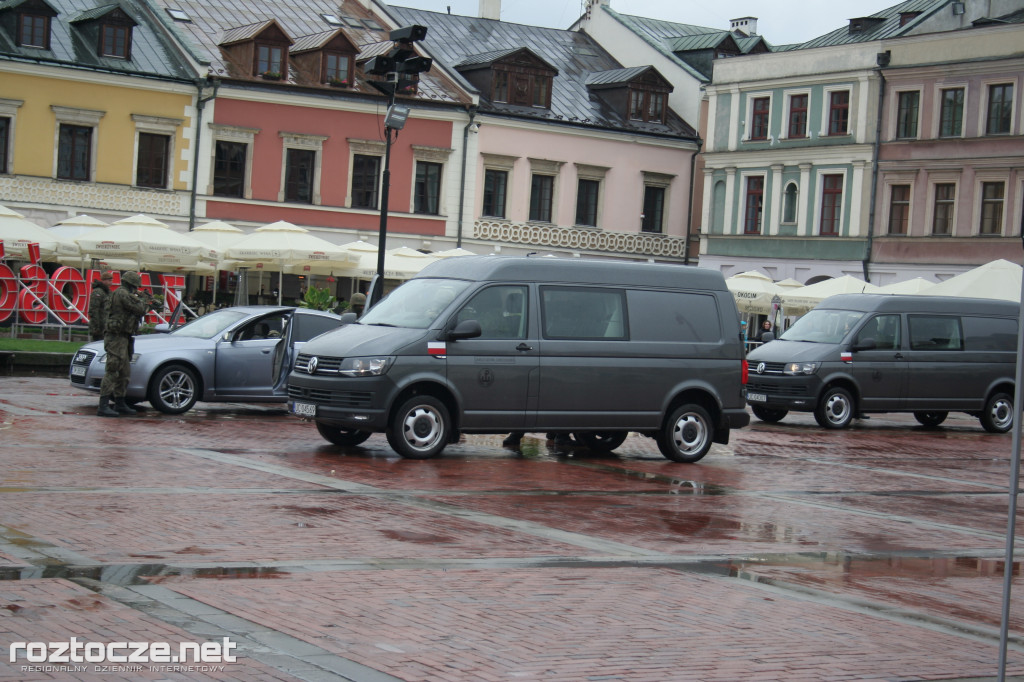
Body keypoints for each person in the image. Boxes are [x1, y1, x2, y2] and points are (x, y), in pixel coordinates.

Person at [97, 271, 157, 417]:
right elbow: (139, 309)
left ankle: (120, 402)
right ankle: (103, 405)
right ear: (131, 285)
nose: (136, 289)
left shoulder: (124, 294)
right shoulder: (122, 294)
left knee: (124, 372)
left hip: (124, 337)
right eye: (135, 287)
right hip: (116, 337)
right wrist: (147, 302)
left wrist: (143, 300)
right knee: (113, 369)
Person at [88, 270, 114, 342]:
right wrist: (96, 326)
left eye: (111, 280)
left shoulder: (108, 292)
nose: (111, 282)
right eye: (109, 280)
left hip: (106, 325)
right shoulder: (98, 292)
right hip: (99, 326)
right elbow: (93, 309)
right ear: (104, 281)